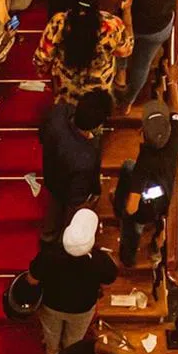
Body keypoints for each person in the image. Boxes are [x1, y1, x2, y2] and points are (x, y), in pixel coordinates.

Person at [112, 65, 178, 268]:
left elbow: (132, 207)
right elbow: (176, 109)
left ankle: (128, 257)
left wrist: (126, 209)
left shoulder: (144, 165)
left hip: (144, 208)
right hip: (163, 195)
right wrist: (171, 82)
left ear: (142, 132)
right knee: (127, 166)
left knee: (131, 227)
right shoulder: (175, 135)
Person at [27, 208, 118, 354]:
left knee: (51, 333)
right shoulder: (100, 261)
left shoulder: (49, 255)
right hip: (82, 310)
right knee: (74, 338)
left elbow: (32, 280)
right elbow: (108, 281)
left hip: (51, 305)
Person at [34, 0, 134, 107]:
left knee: (65, 112)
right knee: (91, 119)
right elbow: (126, 50)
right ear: (98, 3)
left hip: (66, 86)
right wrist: (126, 11)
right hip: (98, 89)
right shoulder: (112, 25)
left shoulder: (59, 22)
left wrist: (42, 70)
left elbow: (42, 57)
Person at [40, 89, 111, 244]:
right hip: (69, 191)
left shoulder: (58, 113)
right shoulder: (86, 156)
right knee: (68, 220)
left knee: (53, 211)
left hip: (51, 175)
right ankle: (61, 244)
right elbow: (75, 197)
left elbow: (42, 134)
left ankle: (47, 237)